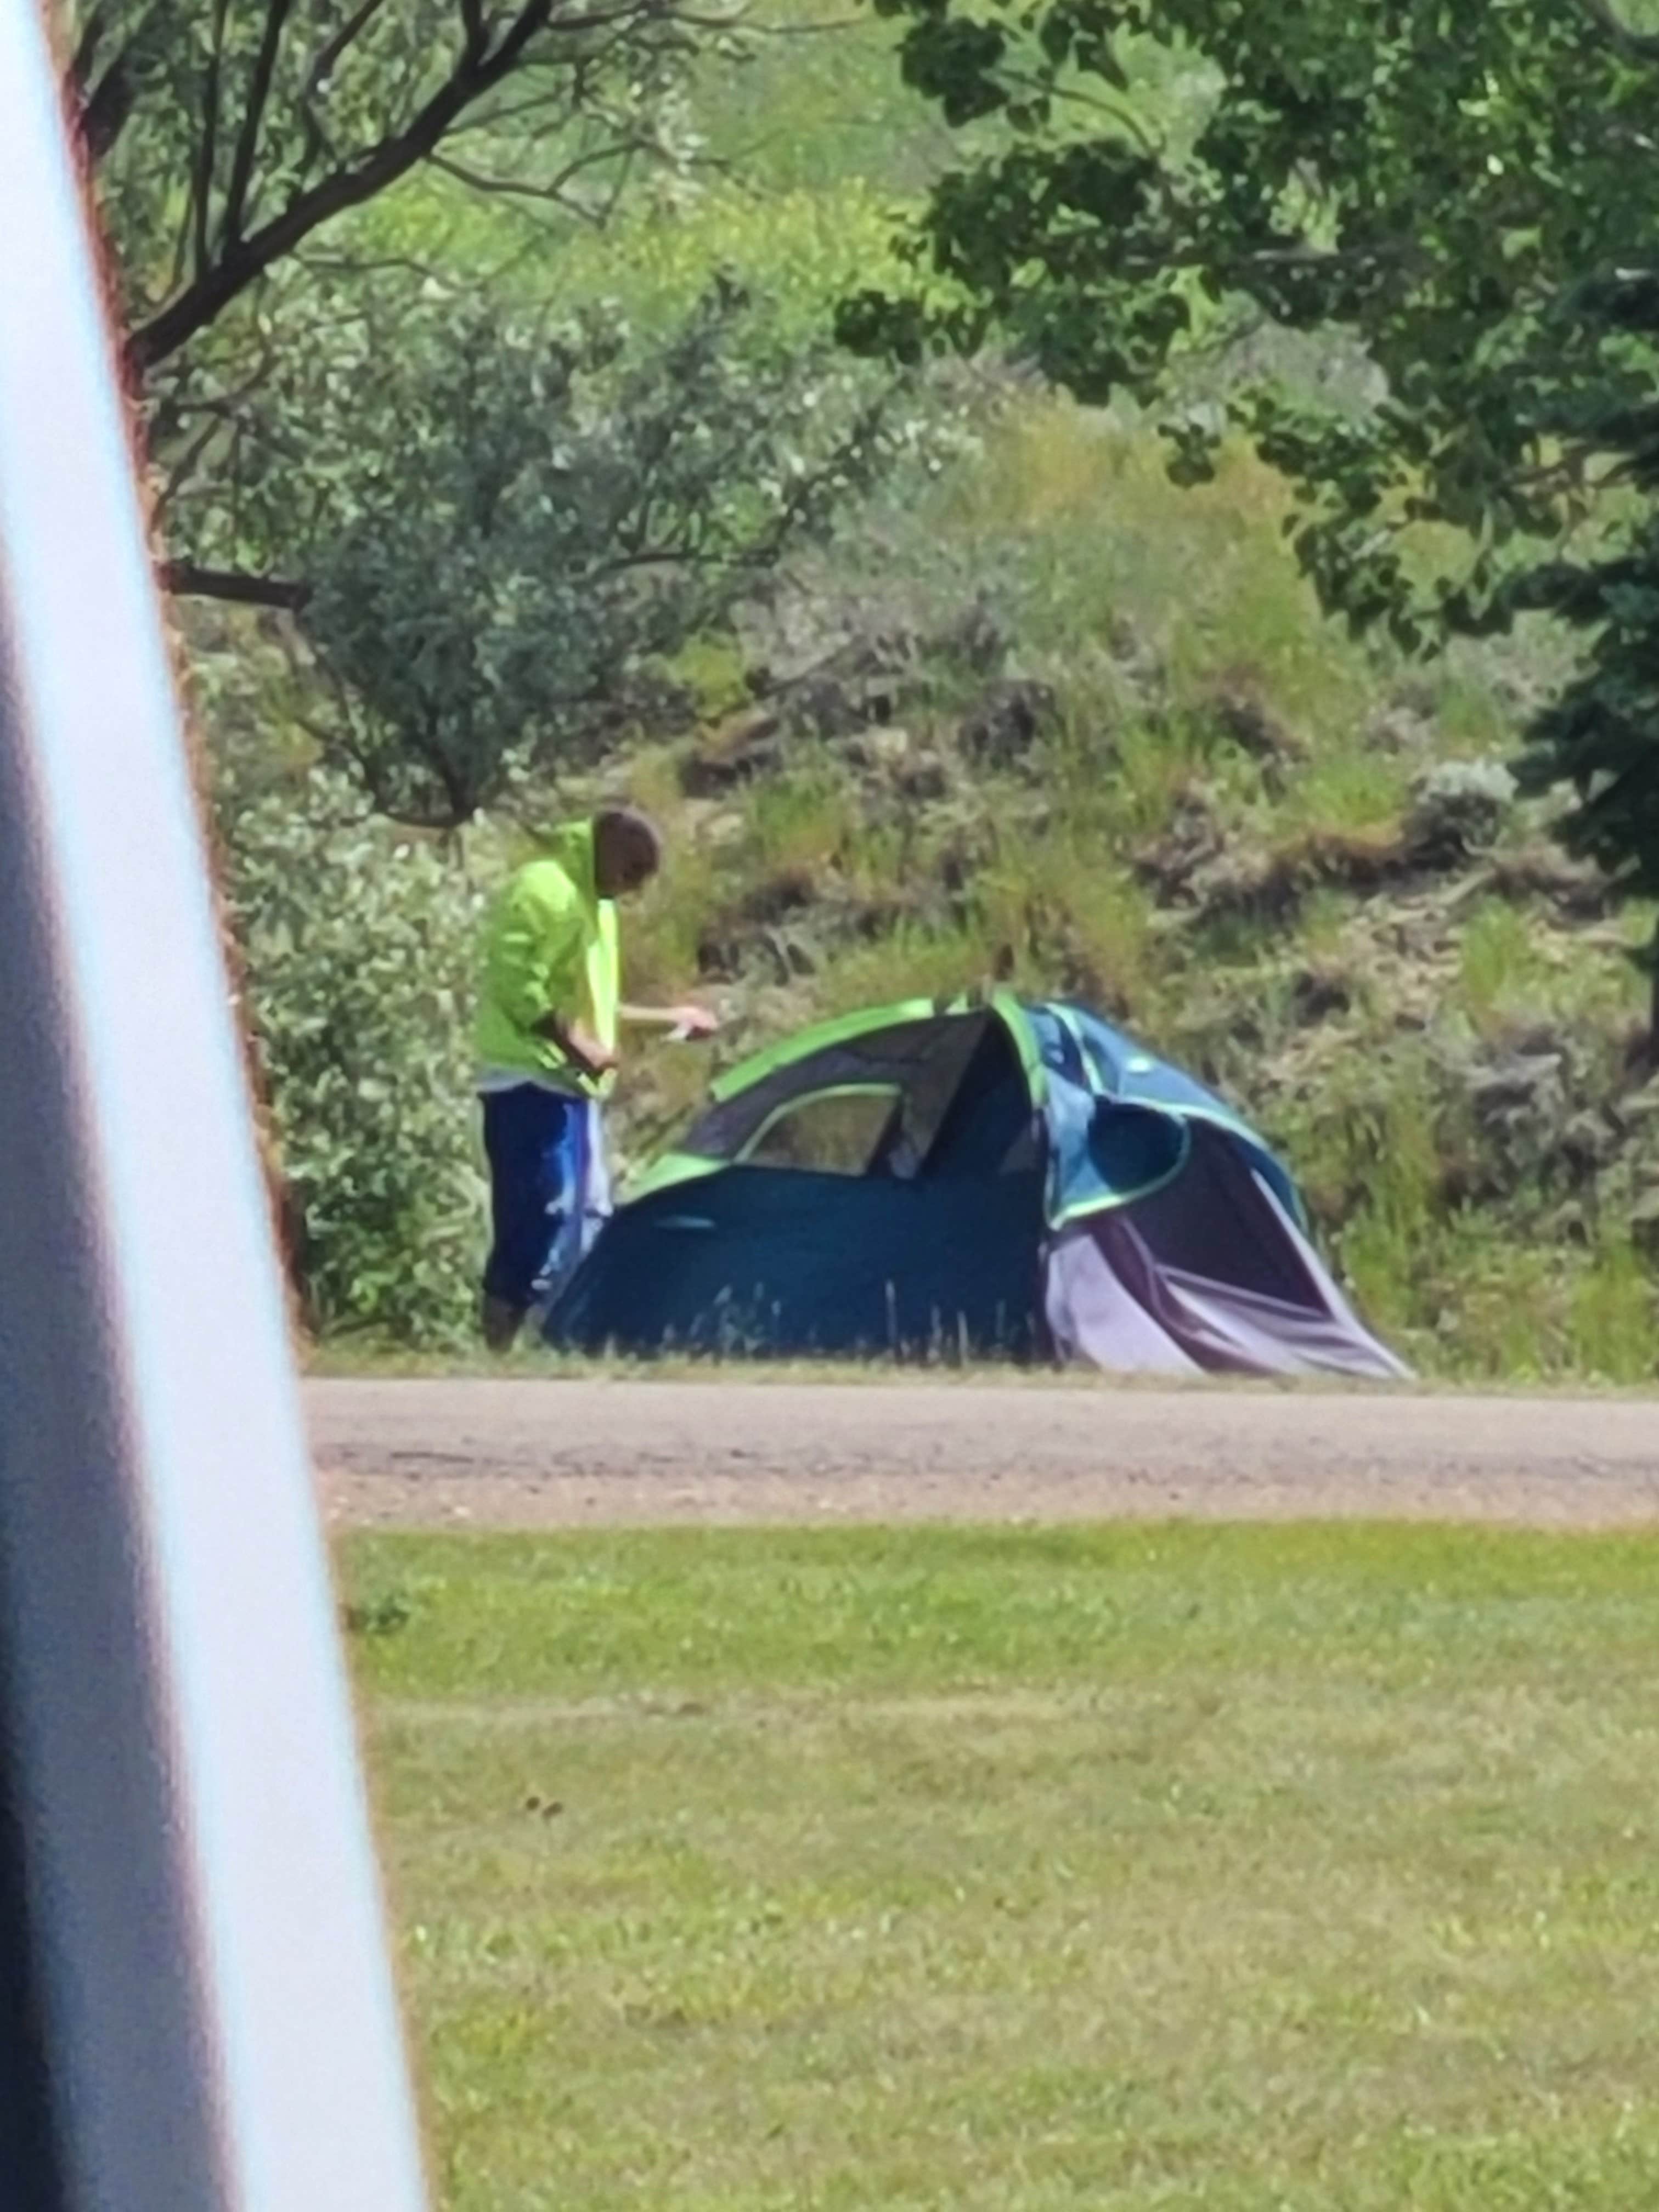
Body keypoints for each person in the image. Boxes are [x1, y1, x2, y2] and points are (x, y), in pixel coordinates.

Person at [472, 806, 717, 1350]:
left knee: (585, 1218)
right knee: (538, 1210)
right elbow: (515, 982)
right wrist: (571, 1043)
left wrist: (670, 1021)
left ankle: (557, 1343)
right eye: (631, 872)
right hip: (526, 1081)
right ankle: (499, 1343)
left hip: (572, 1090)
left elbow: (597, 1007)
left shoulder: (596, 906)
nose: (632, 889)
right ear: (607, 845)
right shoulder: (545, 889)